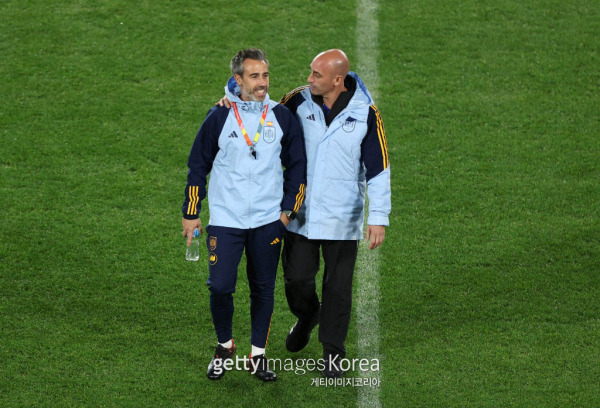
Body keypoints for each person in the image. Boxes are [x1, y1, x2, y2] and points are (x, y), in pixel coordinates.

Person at [217, 49, 390, 378]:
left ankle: (333, 352)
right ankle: (308, 315)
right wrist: (230, 95)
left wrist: (378, 217)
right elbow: (259, 114)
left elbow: (379, 169)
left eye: (316, 75)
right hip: (300, 213)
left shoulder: (365, 113)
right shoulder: (297, 101)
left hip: (343, 218)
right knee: (296, 281)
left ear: (337, 81)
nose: (308, 79)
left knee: (338, 288)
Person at [182, 48, 307, 382]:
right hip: (226, 220)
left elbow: (297, 167)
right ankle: (225, 346)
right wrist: (191, 211)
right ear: (238, 80)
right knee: (220, 286)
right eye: (254, 76)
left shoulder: (280, 116)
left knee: (263, 288)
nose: (262, 82)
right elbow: (198, 166)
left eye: (265, 75)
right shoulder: (219, 116)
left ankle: (257, 355)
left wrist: (287, 213)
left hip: (268, 221)